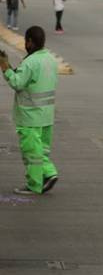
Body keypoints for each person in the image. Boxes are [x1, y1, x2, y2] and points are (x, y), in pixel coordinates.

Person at [4, 27, 58, 196]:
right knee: (40, 150)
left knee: (31, 153)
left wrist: (5, 68)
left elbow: (17, 83)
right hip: (46, 115)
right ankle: (47, 174)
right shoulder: (50, 59)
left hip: (30, 116)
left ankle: (37, 182)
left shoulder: (30, 62)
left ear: (29, 41)